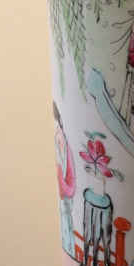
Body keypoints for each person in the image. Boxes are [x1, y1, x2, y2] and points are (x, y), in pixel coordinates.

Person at [53, 102, 76, 256]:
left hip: (67, 193)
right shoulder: (59, 137)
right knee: (67, 229)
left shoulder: (62, 138)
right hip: (65, 195)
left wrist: (67, 188)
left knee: (68, 226)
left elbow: (68, 170)